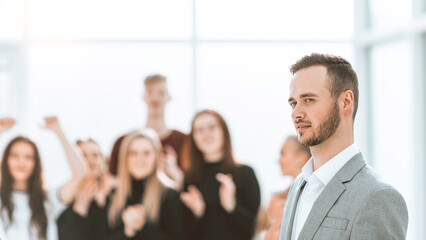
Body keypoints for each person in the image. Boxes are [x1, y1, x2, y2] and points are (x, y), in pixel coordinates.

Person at [279, 53, 408, 239]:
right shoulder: (298, 186)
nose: (296, 114)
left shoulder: (378, 197)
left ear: (345, 102)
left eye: (308, 100)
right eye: (293, 103)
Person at [59, 129, 184, 240]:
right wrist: (127, 233)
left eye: (146, 153)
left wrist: (143, 227)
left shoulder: (170, 196)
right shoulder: (112, 196)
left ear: (156, 157)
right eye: (133, 153)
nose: (140, 159)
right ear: (125, 158)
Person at [180, 109, 261, 240]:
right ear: (193, 138)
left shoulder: (246, 173)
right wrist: (198, 212)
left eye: (212, 127)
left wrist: (231, 206)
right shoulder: (189, 178)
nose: (206, 134)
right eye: (199, 130)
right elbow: (184, 233)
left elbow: (251, 230)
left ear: (224, 132)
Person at [0, 117, 86, 240]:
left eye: (28, 157)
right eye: (15, 155)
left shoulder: (47, 199)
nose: (21, 162)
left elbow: (80, 175)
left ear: (36, 163)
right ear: (5, 160)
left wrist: (59, 131)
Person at [109, 74, 186, 188]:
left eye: (161, 93)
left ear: (169, 97)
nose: (155, 98)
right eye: (150, 92)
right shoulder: (123, 142)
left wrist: (175, 173)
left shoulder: (184, 141)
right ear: (144, 97)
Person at [258, 136, 310, 240]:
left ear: (301, 157)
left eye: (283, 153)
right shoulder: (276, 198)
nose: (278, 160)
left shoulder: (310, 198)